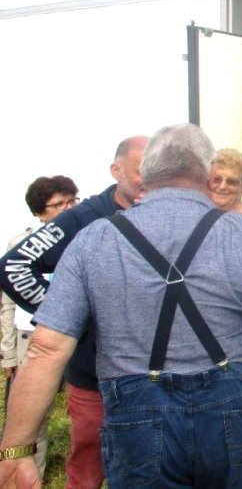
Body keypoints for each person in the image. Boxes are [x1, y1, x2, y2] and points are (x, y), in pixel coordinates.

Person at [0, 124, 242, 487]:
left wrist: (16, 450)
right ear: (208, 173)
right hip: (231, 407)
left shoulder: (94, 239)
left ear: (147, 174)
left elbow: (46, 350)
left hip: (136, 409)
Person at [0, 135, 147, 489]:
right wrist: (70, 316)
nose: (152, 179)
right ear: (116, 171)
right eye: (141, 170)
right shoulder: (82, 217)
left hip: (154, 379)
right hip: (94, 376)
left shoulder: (168, 212)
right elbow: (14, 267)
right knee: (87, 466)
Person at [1, 175, 79, 476]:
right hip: (30, 337)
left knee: (83, 410)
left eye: (72, 201)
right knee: (32, 415)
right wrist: (8, 354)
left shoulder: (85, 240)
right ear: (38, 212)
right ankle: (29, 474)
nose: (68, 209)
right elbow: (8, 304)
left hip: (76, 339)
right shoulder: (19, 244)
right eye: (58, 204)